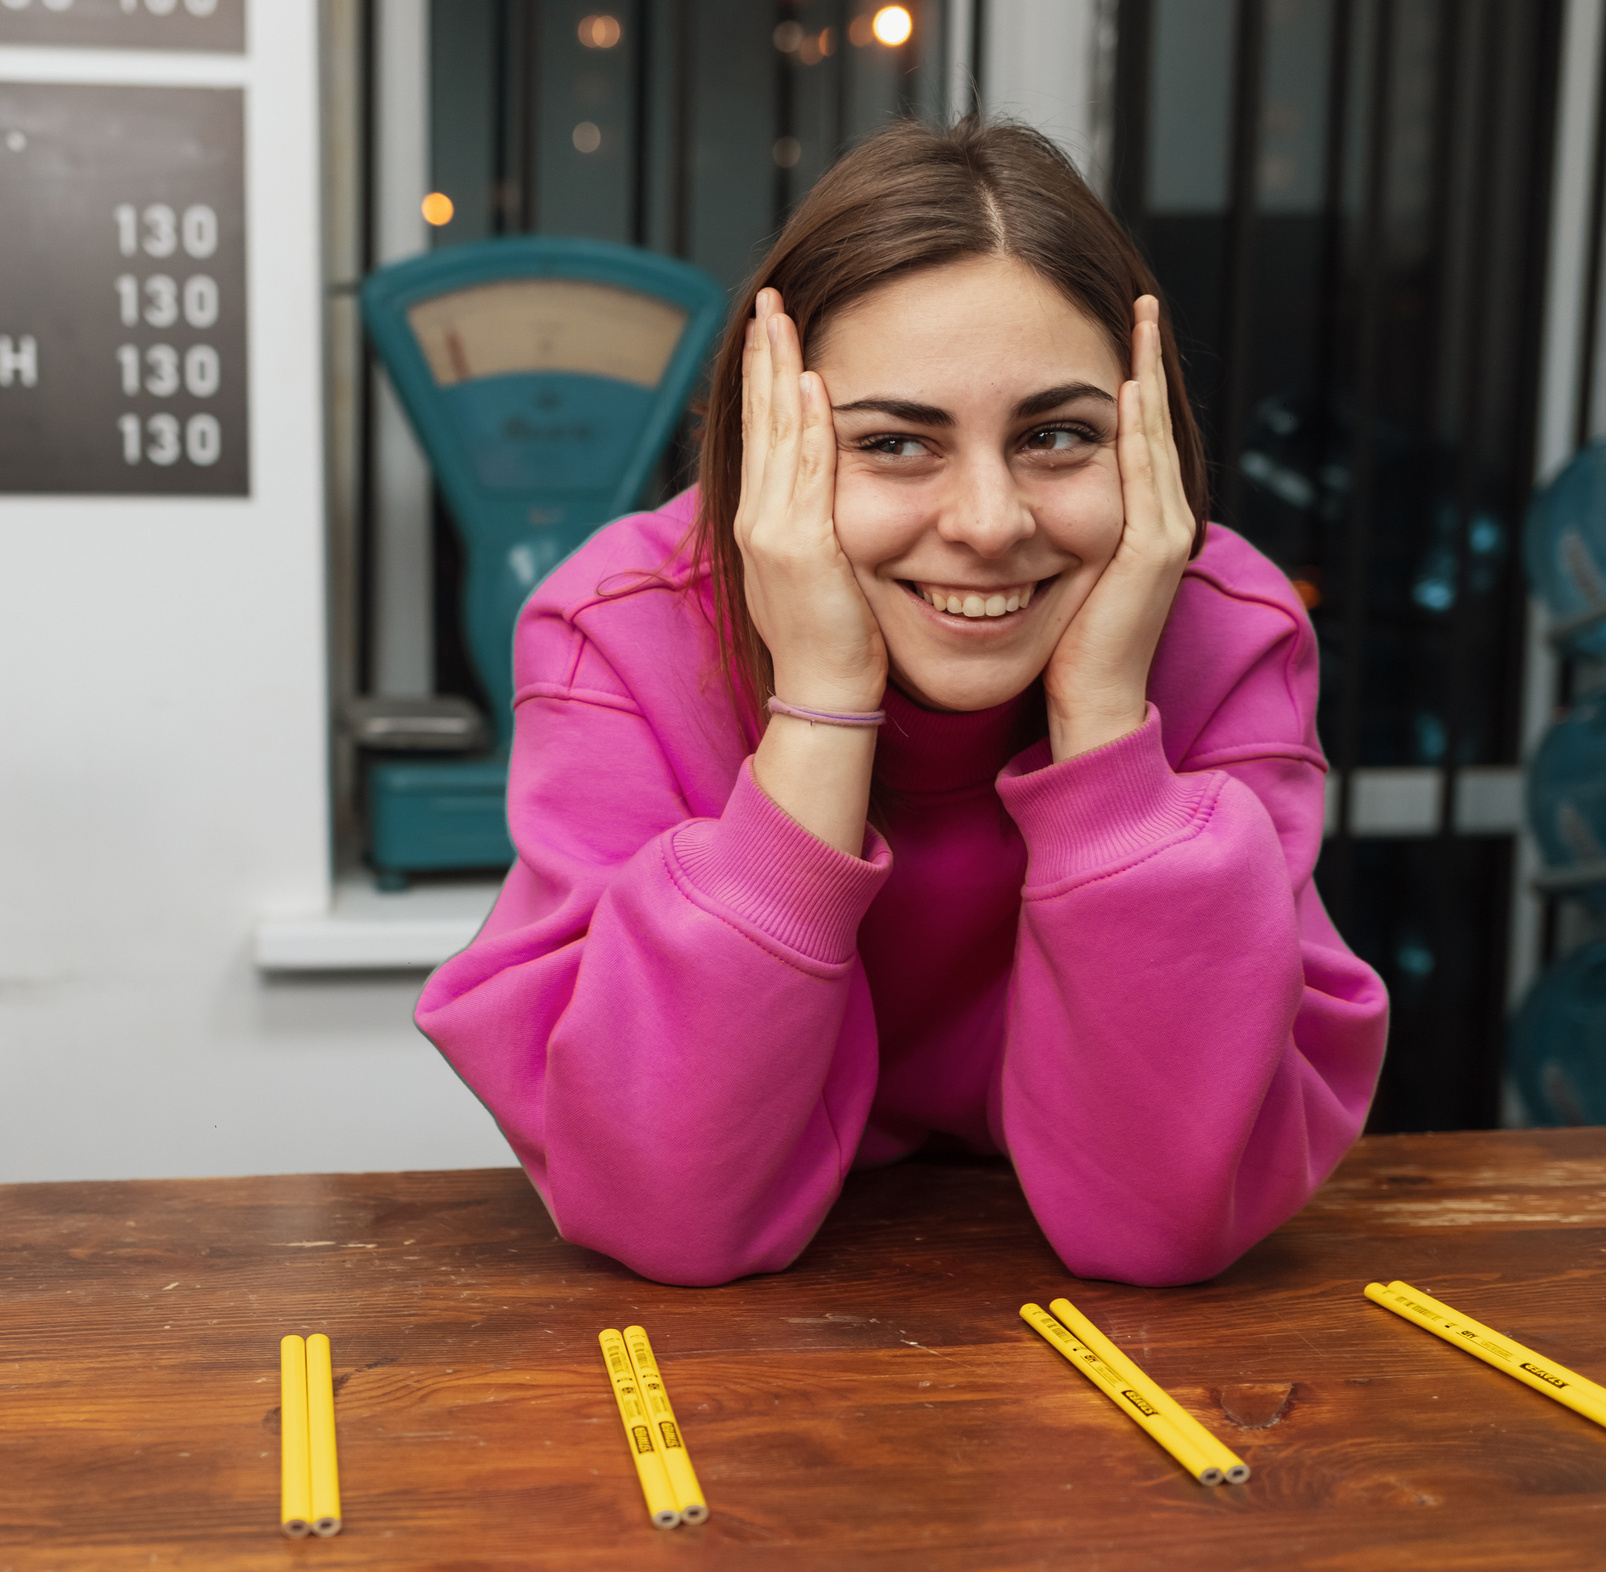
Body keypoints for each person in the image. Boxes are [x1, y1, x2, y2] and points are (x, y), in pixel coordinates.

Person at [416, 116, 1388, 1287]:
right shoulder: (619, 628)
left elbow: (1164, 1220)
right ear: (771, 451)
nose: (988, 523)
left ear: (1145, 444)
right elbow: (667, 1208)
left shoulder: (1225, 627)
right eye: (893, 443)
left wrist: (1106, 735)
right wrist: (822, 702)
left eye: (1056, 435)